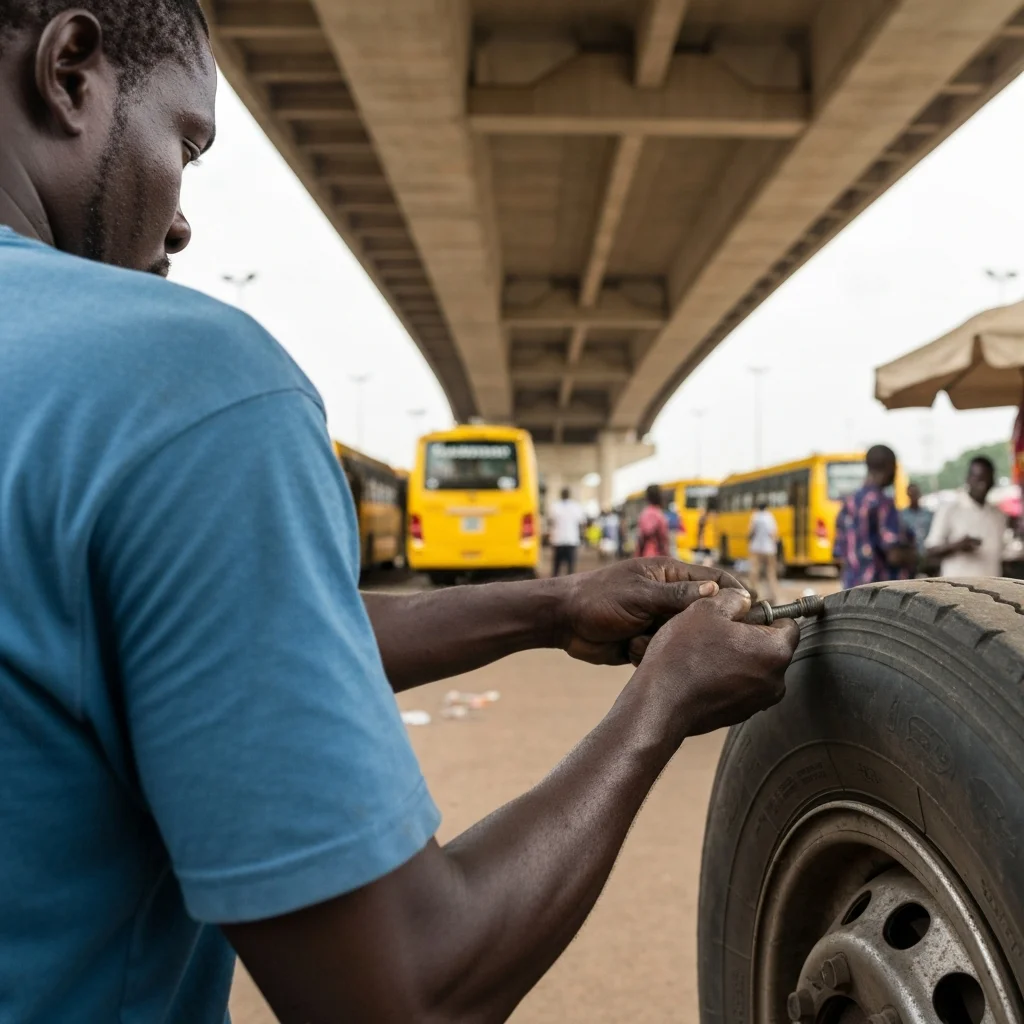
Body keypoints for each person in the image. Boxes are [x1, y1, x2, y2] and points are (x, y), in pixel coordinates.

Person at [0, 9, 801, 1017]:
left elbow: (222, 641)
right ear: (69, 71)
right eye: (186, 144)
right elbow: (407, 986)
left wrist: (553, 605)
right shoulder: (173, 379)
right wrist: (660, 706)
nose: (179, 222)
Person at [833, 445, 916, 589]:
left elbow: (839, 555)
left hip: (851, 592)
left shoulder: (848, 504)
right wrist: (916, 556)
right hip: (879, 595)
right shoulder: (883, 504)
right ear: (890, 466)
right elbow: (894, 555)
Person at [925, 456, 1006, 578]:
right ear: (968, 479)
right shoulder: (950, 510)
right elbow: (930, 551)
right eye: (978, 479)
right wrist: (957, 546)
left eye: (987, 479)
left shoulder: (998, 515)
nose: (983, 485)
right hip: (958, 591)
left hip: (992, 591)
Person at [548, 486, 586, 576]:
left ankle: (554, 585)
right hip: (571, 539)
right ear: (569, 495)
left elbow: (550, 521)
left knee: (556, 567)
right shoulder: (576, 506)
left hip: (558, 539)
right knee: (570, 567)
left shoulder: (554, 506)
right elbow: (582, 522)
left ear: (561, 495)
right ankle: (570, 586)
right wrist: (582, 536)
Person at [748, 502, 780, 603]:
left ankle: (753, 596)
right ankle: (774, 596)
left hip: (756, 548)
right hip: (769, 549)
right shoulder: (770, 517)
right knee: (771, 573)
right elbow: (773, 533)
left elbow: (751, 532)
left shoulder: (755, 516)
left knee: (754, 573)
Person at [901, 482, 934, 574]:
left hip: (927, 554)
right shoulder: (902, 515)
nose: (914, 497)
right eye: (911, 494)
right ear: (908, 495)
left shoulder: (928, 514)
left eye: (916, 493)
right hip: (910, 557)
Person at [636, 484, 671, 558]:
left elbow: (641, 538)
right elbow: (663, 539)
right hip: (658, 558)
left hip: (644, 557)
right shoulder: (659, 514)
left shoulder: (644, 513)